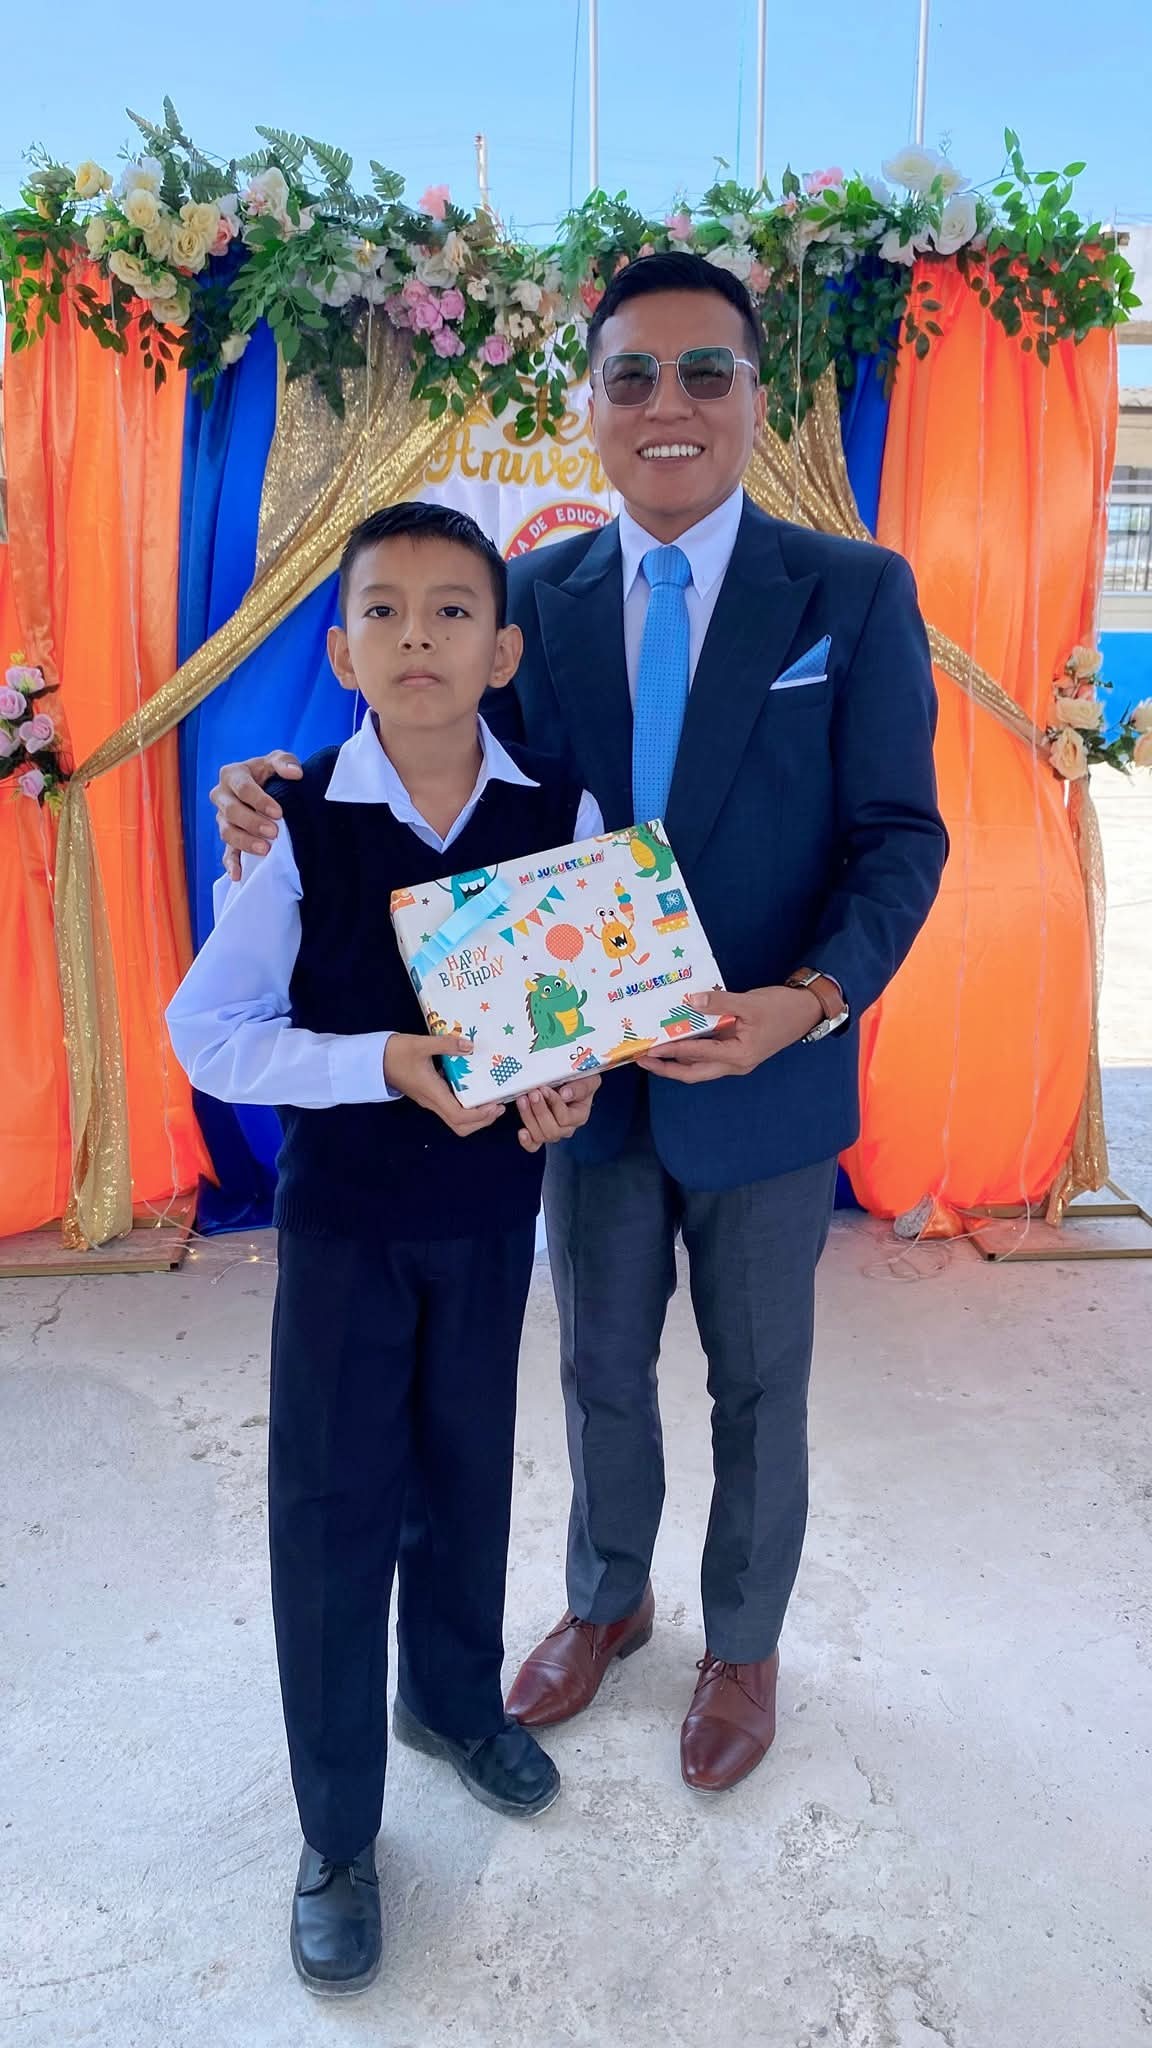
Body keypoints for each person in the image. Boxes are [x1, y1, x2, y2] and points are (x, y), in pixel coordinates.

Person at [210, 252, 948, 1803]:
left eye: (704, 372)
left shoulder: (854, 592)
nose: (668, 403)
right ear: (593, 405)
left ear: (756, 399)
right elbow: (435, 771)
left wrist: (806, 1003)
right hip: (574, 1085)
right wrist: (275, 791)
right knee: (598, 1366)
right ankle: (609, 1598)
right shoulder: (527, 600)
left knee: (760, 1385)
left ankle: (742, 1643)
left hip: (768, 1081)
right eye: (632, 375)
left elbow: (900, 839)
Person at [168, 502, 601, 1997]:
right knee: (336, 1510)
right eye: (385, 611)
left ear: (504, 652)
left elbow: (577, 1024)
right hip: (347, 1230)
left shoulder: (565, 819)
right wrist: (383, 1065)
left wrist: (566, 1088)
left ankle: (456, 1704)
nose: (418, 636)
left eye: (453, 611)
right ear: (343, 647)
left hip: (487, 1224)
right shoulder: (297, 825)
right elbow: (212, 1033)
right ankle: (337, 1831)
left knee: (468, 1476)